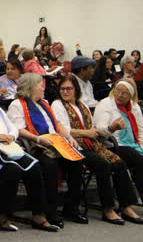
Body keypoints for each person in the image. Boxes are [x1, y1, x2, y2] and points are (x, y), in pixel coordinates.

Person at [0, 77, 58, 232]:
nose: (0, 93)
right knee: (12, 169)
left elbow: (13, 128)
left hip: (6, 149)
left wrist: (11, 137)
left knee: (34, 166)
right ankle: (3, 215)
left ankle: (39, 215)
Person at [51, 75, 143, 224]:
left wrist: (101, 130)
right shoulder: (57, 104)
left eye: (69, 88)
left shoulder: (82, 105)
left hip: (92, 143)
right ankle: (108, 209)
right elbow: (62, 128)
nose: (65, 92)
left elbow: (93, 127)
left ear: (76, 90)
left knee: (119, 162)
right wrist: (86, 133)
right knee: (102, 164)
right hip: (74, 145)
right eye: (62, 89)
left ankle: (127, 206)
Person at [7, 73, 86, 227]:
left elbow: (56, 124)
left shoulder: (44, 103)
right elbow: (18, 129)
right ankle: (50, 211)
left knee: (76, 162)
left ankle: (72, 208)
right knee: (50, 166)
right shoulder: (18, 104)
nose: (43, 88)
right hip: (37, 145)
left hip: (55, 142)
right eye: (39, 85)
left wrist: (68, 137)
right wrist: (38, 138)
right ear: (30, 88)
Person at [94, 78, 143, 217]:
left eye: (124, 94)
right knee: (139, 162)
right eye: (118, 91)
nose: (119, 95)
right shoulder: (106, 104)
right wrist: (112, 128)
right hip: (113, 143)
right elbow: (100, 130)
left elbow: (141, 129)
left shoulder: (134, 106)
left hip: (133, 143)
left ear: (130, 96)